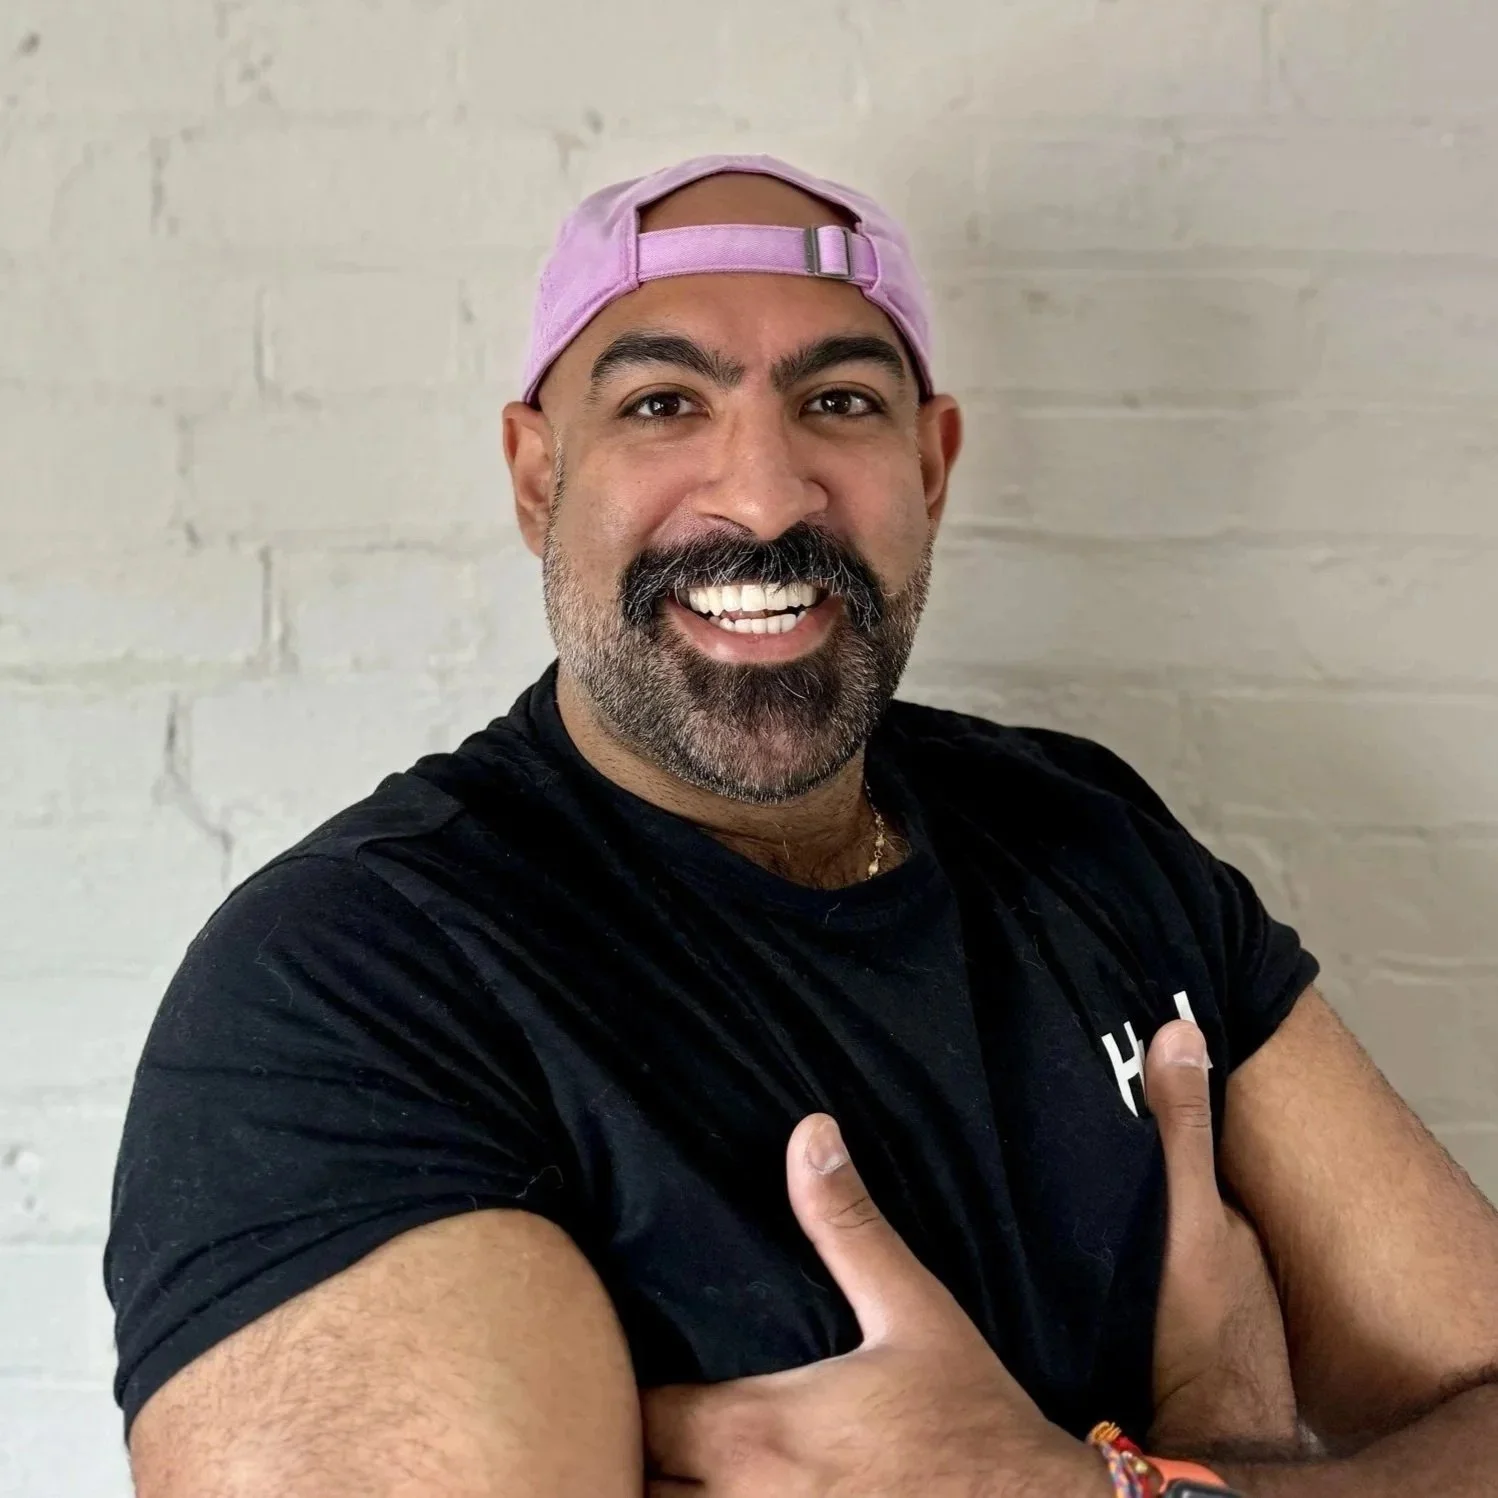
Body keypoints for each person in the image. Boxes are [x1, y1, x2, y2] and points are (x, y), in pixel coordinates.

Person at [106, 155, 1498, 1497]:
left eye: (837, 400)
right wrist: (1224, 1441)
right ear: (538, 475)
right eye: (661, 405)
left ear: (932, 463)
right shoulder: (354, 987)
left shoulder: (1089, 842)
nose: (764, 494)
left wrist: (1110, 1490)